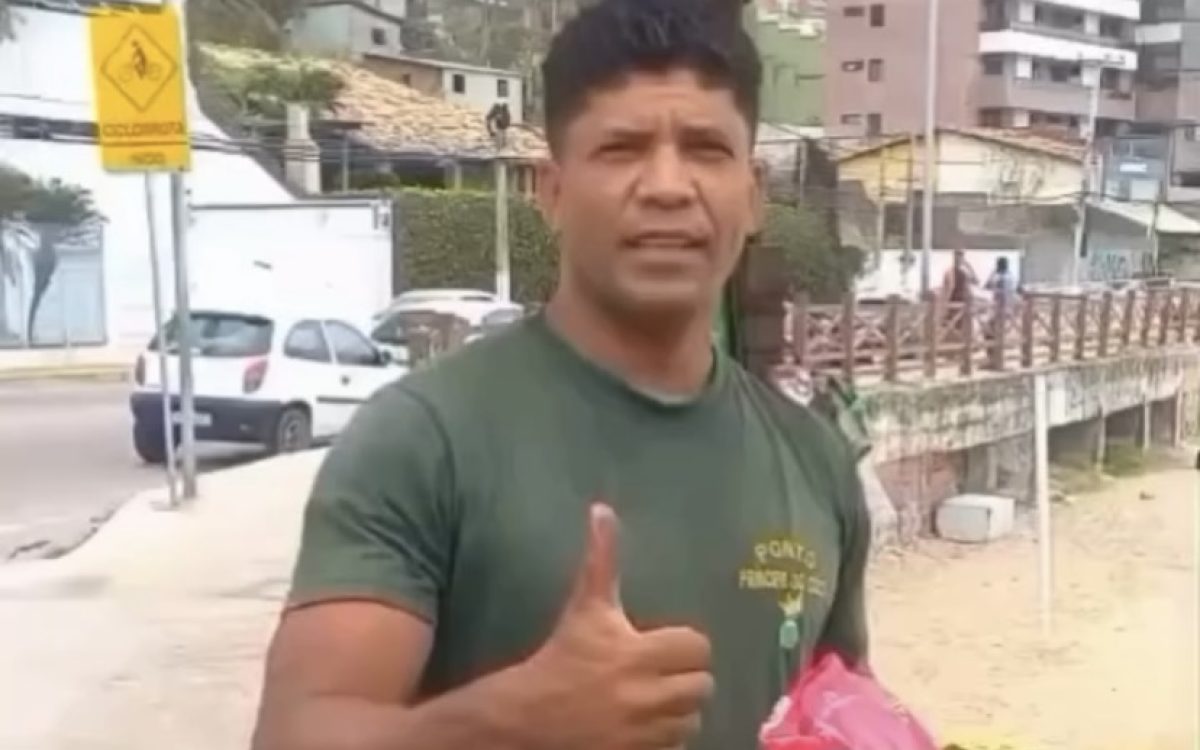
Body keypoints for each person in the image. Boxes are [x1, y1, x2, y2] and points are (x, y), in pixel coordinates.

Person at [251, 1, 871, 749]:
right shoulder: (422, 441)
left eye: (706, 149)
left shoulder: (815, 462)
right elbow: (295, 733)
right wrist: (512, 723)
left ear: (754, 195)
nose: (668, 186)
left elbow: (843, 712)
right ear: (551, 192)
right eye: (621, 149)